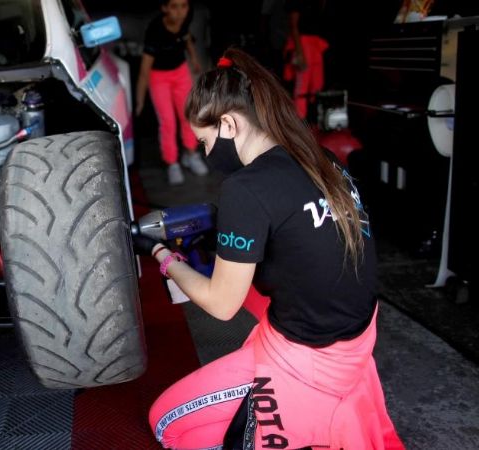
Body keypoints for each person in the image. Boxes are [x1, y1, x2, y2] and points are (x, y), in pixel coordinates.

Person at [134, 48, 405, 449]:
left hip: (310, 358)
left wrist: (161, 255)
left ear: (228, 124)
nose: (207, 155)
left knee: (167, 423)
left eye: (205, 141)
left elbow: (222, 305)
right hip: (358, 340)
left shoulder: (246, 188)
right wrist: (221, 232)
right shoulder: (321, 158)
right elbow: (303, 238)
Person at [136, 0, 208, 186]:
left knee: (188, 114)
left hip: (180, 72)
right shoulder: (155, 30)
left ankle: (190, 154)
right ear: (164, 8)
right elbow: (145, 69)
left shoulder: (184, 20)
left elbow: (186, 37)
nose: (180, 12)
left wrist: (194, 59)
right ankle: (172, 163)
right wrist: (140, 100)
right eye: (175, 6)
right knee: (167, 121)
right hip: (158, 77)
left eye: (184, 6)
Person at [284, 0, 329, 120]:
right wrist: (299, 53)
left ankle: (315, 122)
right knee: (302, 89)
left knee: (317, 86)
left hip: (316, 44)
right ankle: (299, 123)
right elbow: (293, 26)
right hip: (303, 45)